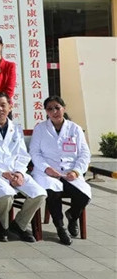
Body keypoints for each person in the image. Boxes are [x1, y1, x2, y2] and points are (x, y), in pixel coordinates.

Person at [0, 92, 46, 243]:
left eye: (3, 105)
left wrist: (19, 172)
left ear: (10, 107)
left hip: (16, 172)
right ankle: (4, 226)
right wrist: (3, 173)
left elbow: (23, 154)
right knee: (6, 194)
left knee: (39, 193)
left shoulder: (16, 128)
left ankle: (19, 225)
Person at [30, 96, 91, 246]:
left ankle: (72, 216)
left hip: (70, 172)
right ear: (46, 112)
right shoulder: (40, 129)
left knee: (84, 194)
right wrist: (47, 168)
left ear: (64, 108)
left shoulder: (75, 129)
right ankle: (60, 227)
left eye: (57, 108)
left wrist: (76, 171)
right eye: (50, 109)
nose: (54, 112)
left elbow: (84, 153)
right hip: (47, 172)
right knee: (53, 191)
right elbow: (34, 152)